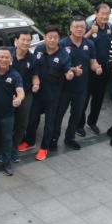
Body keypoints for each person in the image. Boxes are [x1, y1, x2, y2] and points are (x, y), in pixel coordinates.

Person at [24, 26, 74, 161]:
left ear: (59, 39)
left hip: (53, 96)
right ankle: (30, 141)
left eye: (55, 37)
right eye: (49, 37)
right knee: (32, 119)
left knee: (49, 123)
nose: (52, 40)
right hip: (37, 93)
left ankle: (44, 148)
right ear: (44, 37)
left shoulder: (63, 54)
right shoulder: (39, 49)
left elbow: (68, 72)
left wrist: (70, 74)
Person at [79, 3, 112, 135]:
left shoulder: (109, 27)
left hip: (104, 68)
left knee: (98, 98)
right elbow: (79, 42)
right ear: (96, 13)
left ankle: (92, 122)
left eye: (107, 14)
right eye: (103, 14)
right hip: (89, 68)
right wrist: (91, 32)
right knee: (84, 98)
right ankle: (79, 125)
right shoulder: (89, 25)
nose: (105, 16)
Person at [55, 16, 102, 150]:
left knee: (76, 115)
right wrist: (72, 70)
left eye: (82, 26)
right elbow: (57, 65)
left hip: (81, 88)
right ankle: (53, 138)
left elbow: (93, 62)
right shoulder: (62, 44)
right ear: (70, 28)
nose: (80, 29)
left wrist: (97, 68)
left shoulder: (89, 44)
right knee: (59, 115)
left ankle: (70, 138)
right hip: (64, 88)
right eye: (76, 26)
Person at [10, 31, 40, 160]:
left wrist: (36, 85)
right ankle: (3, 148)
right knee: (6, 123)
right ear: (16, 40)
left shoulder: (32, 59)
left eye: (29, 40)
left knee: (22, 123)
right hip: (7, 94)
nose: (26, 43)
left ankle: (14, 148)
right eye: (23, 40)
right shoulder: (7, 53)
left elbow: (35, 77)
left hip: (26, 94)